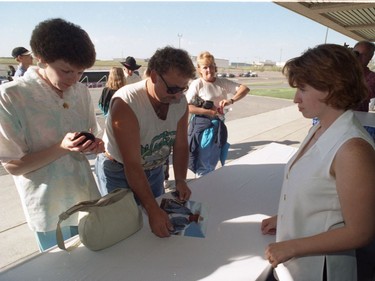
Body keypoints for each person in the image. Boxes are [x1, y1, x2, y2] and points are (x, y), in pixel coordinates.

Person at [261, 44, 375, 281]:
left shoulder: (353, 150)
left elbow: (361, 232)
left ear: (330, 89)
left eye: (302, 88)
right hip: (295, 264)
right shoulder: (322, 127)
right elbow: (322, 197)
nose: (295, 98)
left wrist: (291, 247)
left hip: (320, 271)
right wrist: (284, 218)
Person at [0, 18, 104, 252]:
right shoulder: (11, 97)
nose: (74, 79)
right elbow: (13, 166)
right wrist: (62, 147)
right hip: (47, 207)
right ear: (41, 59)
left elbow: (91, 136)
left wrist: (94, 146)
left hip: (84, 198)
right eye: (66, 70)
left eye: (80, 72)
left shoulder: (80, 92)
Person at [95, 46, 196, 238]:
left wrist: (181, 180)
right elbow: (132, 164)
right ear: (154, 75)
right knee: (123, 230)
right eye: (173, 89)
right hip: (120, 171)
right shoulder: (127, 103)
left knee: (155, 229)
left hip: (154, 170)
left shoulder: (180, 102)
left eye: (183, 89)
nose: (177, 96)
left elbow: (181, 145)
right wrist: (151, 209)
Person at [185, 51, 250, 177]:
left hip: (218, 126)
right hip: (203, 128)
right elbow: (187, 107)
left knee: (212, 160)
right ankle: (203, 188)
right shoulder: (197, 84)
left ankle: (208, 185)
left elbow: (244, 89)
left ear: (215, 67)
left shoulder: (222, 82)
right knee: (203, 164)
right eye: (205, 67)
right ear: (199, 69)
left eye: (211, 66)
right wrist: (208, 111)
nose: (209, 69)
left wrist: (231, 100)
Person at [352, 41, 375, 112]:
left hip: (357, 118)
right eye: (356, 53)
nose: (358, 57)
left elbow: (362, 94)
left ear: (370, 58)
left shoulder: (372, 77)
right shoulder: (338, 72)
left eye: (364, 55)